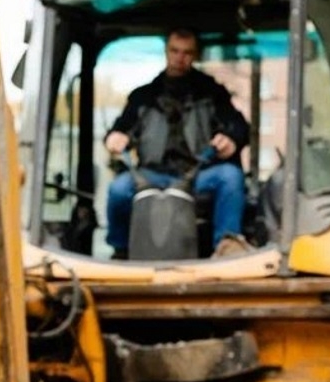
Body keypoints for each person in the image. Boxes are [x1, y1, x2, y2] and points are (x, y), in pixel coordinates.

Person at [104, 28, 251, 259]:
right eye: (174, 51)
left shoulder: (213, 93)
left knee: (230, 177)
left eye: (187, 52)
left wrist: (232, 140)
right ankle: (121, 250)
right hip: (150, 176)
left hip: (198, 175)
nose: (180, 58)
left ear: (196, 55)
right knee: (118, 189)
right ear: (166, 51)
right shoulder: (143, 96)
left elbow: (239, 127)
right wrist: (114, 137)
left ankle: (227, 245)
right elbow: (120, 130)